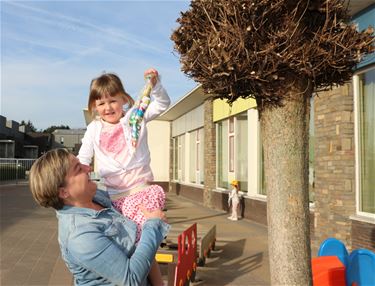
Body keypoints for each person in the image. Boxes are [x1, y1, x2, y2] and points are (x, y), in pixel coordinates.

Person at [77, 69, 170, 286]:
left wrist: (155, 86)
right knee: (128, 245)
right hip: (117, 198)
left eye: (112, 100)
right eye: (100, 103)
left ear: (124, 99)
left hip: (141, 190)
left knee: (143, 242)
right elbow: (84, 158)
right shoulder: (94, 129)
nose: (107, 107)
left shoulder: (134, 118)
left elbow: (162, 104)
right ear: (93, 107)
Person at [29, 148, 170, 286]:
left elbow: (138, 245)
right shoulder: (79, 235)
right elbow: (131, 278)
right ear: (64, 192)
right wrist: (153, 226)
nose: (88, 168)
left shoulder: (97, 198)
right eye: (78, 169)